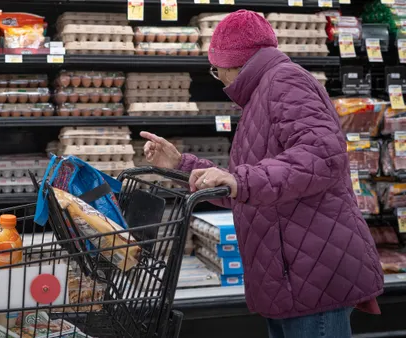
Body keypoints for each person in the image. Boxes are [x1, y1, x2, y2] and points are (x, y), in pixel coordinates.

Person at [141, 10, 383, 338]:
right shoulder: (263, 94)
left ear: (233, 62)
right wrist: (180, 164)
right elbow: (248, 189)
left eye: (216, 69)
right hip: (287, 276)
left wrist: (241, 181)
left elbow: (322, 156)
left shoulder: (285, 81)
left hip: (311, 275)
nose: (220, 79)